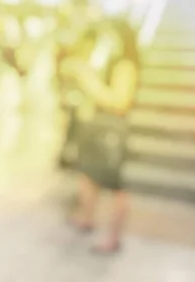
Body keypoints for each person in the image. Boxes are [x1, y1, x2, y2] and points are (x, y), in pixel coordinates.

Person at [63, 17, 139, 253]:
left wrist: (88, 80)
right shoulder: (106, 60)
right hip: (95, 127)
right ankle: (86, 217)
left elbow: (120, 102)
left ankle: (113, 238)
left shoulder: (125, 64)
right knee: (88, 176)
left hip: (110, 132)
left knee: (115, 187)